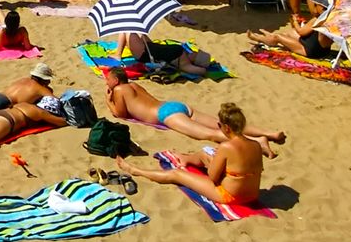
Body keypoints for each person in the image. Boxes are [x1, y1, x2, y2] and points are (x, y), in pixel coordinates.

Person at [103, 71, 286, 154]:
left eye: (108, 78)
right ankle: (268, 133)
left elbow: (121, 114)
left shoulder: (119, 91)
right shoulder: (135, 85)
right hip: (175, 105)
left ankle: (257, 142)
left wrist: (108, 100)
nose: (106, 81)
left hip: (166, 115)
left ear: (117, 80)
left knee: (210, 134)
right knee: (219, 123)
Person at [115, 102, 265, 204]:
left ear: (225, 127)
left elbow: (213, 177)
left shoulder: (227, 147)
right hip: (252, 195)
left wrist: (213, 162)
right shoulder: (256, 145)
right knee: (205, 154)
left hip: (232, 196)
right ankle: (186, 159)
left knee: (176, 175)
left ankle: (135, 170)